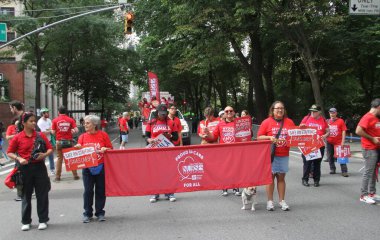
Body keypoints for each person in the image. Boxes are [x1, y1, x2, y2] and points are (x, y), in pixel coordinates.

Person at [7, 112, 53, 231]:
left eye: (34, 121)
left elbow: (50, 148)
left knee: (42, 194)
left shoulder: (40, 135)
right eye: (31, 121)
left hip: (39, 168)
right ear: (23, 123)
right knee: (25, 195)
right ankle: (26, 221)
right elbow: (9, 152)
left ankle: (43, 220)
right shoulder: (17, 137)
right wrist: (19, 158)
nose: (34, 123)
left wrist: (44, 155)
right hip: (24, 169)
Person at [257, 101, 295, 211]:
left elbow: (295, 136)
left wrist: (300, 129)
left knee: (281, 178)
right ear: (272, 110)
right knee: (270, 178)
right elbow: (259, 137)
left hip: (284, 154)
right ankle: (269, 201)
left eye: (282, 108)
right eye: (277, 108)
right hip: (270, 155)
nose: (280, 110)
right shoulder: (266, 122)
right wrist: (270, 138)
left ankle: (282, 201)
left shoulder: (289, 122)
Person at [75, 115, 113, 223]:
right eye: (85, 123)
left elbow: (111, 148)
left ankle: (100, 212)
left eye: (87, 123)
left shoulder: (103, 135)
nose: (85, 125)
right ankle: (87, 213)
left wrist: (106, 148)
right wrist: (78, 147)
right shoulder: (82, 137)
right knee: (88, 191)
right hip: (87, 168)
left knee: (101, 190)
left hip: (101, 166)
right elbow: (78, 151)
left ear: (94, 124)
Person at [204, 106, 241, 196]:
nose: (229, 112)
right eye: (226, 111)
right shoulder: (220, 124)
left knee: (235, 169)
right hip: (224, 151)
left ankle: (236, 187)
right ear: (224, 113)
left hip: (236, 150)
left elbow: (246, 136)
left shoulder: (239, 123)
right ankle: (224, 187)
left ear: (234, 112)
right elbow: (213, 137)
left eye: (231, 111)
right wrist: (208, 133)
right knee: (225, 169)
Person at [145, 104, 179, 203]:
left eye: (164, 114)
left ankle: (170, 193)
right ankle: (155, 193)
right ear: (157, 113)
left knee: (168, 172)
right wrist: (149, 139)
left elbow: (176, 138)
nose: (163, 116)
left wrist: (170, 135)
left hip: (167, 152)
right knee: (155, 172)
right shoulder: (151, 123)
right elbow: (146, 137)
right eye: (161, 114)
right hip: (154, 152)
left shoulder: (171, 122)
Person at [356, 98, 380, 204]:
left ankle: (372, 193)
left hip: (376, 148)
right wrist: (372, 138)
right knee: (368, 172)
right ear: (378, 107)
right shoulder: (367, 117)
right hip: (369, 149)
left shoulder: (376, 118)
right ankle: (363, 195)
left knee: (374, 172)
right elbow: (358, 131)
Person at [299, 104, 329, 187]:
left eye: (315, 111)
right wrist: (301, 127)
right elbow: (299, 129)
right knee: (307, 162)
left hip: (319, 144)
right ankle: (305, 179)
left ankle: (316, 180)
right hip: (308, 144)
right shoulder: (306, 118)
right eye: (311, 111)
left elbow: (328, 131)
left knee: (317, 163)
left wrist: (325, 135)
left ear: (319, 112)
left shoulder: (323, 120)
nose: (312, 113)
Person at [52, 105, 80, 182]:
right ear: (66, 112)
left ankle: (58, 176)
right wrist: (72, 131)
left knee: (59, 159)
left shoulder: (55, 120)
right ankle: (75, 175)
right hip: (68, 141)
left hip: (59, 141)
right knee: (70, 158)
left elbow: (53, 132)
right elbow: (76, 130)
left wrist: (54, 132)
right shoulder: (70, 120)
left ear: (58, 112)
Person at [326, 108, 348, 177]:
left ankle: (344, 171)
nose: (332, 114)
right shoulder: (327, 121)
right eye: (331, 113)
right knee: (330, 156)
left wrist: (343, 141)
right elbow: (325, 130)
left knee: (341, 156)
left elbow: (344, 131)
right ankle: (332, 169)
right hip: (329, 141)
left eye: (333, 113)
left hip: (338, 142)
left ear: (336, 113)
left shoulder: (340, 121)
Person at [37, 108, 55, 176]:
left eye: (48, 112)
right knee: (43, 156)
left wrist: (49, 130)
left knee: (51, 156)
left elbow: (52, 128)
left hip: (49, 140)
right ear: (43, 114)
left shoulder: (49, 120)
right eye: (46, 113)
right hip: (43, 141)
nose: (48, 114)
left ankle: (52, 169)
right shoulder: (40, 122)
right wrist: (49, 131)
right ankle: (42, 171)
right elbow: (42, 133)